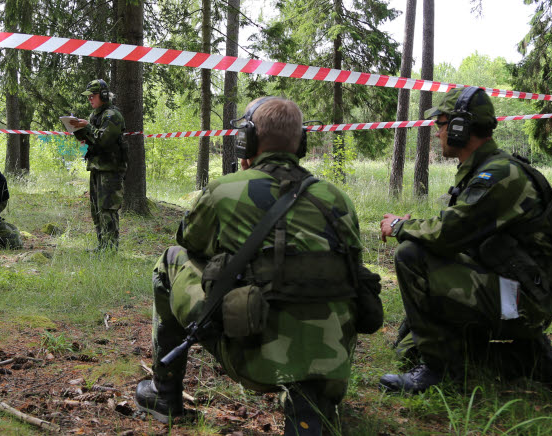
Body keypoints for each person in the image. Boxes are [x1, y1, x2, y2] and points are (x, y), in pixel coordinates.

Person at [136, 97, 382, 435]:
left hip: (254, 362)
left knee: (170, 261)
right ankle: (313, 395)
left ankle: (164, 395)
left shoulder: (224, 191)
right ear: (301, 142)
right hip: (332, 363)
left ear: (246, 140)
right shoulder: (337, 198)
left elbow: (189, 242)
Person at [378, 86, 552, 393]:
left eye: (441, 125)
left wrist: (400, 227)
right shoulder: (488, 168)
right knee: (409, 348)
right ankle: (526, 357)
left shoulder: (498, 174)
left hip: (524, 303)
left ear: (459, 127)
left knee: (410, 256)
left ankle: (441, 372)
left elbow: (448, 233)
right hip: (520, 289)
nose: (437, 134)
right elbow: (462, 232)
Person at [70, 79, 127, 252]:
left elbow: (103, 142)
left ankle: (110, 249)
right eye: (88, 96)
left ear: (103, 95)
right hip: (96, 168)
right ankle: (102, 246)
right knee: (96, 210)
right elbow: (90, 142)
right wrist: (78, 131)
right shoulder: (95, 116)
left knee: (107, 210)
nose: (90, 99)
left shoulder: (112, 116)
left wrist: (87, 127)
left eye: (92, 95)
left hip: (110, 170)